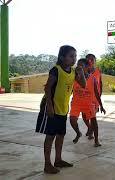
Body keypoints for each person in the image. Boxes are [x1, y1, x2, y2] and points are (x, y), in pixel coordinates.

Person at [35, 45, 86, 174]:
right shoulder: (56, 70)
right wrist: (50, 106)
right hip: (52, 107)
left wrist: (81, 73)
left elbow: (83, 85)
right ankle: (47, 164)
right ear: (62, 57)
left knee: (61, 135)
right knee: (50, 136)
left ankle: (58, 159)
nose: (74, 58)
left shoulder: (74, 72)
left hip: (63, 108)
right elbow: (47, 88)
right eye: (71, 56)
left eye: (75, 56)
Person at [69, 58, 106, 147]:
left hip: (88, 103)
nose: (79, 67)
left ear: (87, 67)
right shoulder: (73, 77)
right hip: (76, 103)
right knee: (72, 120)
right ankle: (78, 133)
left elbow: (97, 93)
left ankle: (96, 140)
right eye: (78, 65)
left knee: (94, 122)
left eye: (81, 65)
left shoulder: (92, 79)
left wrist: (101, 105)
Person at [83, 54, 103, 139]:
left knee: (92, 116)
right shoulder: (83, 71)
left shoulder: (98, 71)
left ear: (95, 61)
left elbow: (100, 83)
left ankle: (91, 133)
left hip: (95, 98)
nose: (90, 61)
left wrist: (100, 95)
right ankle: (90, 127)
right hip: (85, 97)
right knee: (84, 115)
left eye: (92, 59)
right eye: (88, 59)